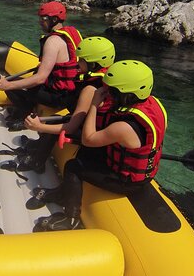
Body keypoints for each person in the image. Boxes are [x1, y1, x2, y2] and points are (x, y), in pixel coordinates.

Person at [27, 60, 168, 231]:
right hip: (137, 173)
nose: (107, 95)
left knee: (74, 166)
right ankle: (61, 193)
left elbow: (88, 139)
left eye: (112, 93)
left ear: (128, 96)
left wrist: (94, 104)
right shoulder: (155, 107)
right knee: (87, 154)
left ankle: (71, 218)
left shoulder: (123, 127)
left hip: (126, 182)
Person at [0, 1, 82, 130]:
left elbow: (41, 78)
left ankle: (26, 119)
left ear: (55, 19)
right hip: (71, 92)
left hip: (59, 97)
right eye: (40, 18)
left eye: (44, 18)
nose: (40, 22)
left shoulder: (52, 41)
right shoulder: (73, 32)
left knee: (12, 85)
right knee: (26, 83)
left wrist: (8, 85)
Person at [23, 36, 116, 144]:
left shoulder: (90, 90)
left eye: (81, 60)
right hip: (92, 127)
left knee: (51, 124)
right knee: (54, 119)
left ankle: (37, 159)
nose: (77, 63)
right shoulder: (103, 81)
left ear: (93, 65)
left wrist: (37, 126)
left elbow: (71, 128)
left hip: (90, 135)